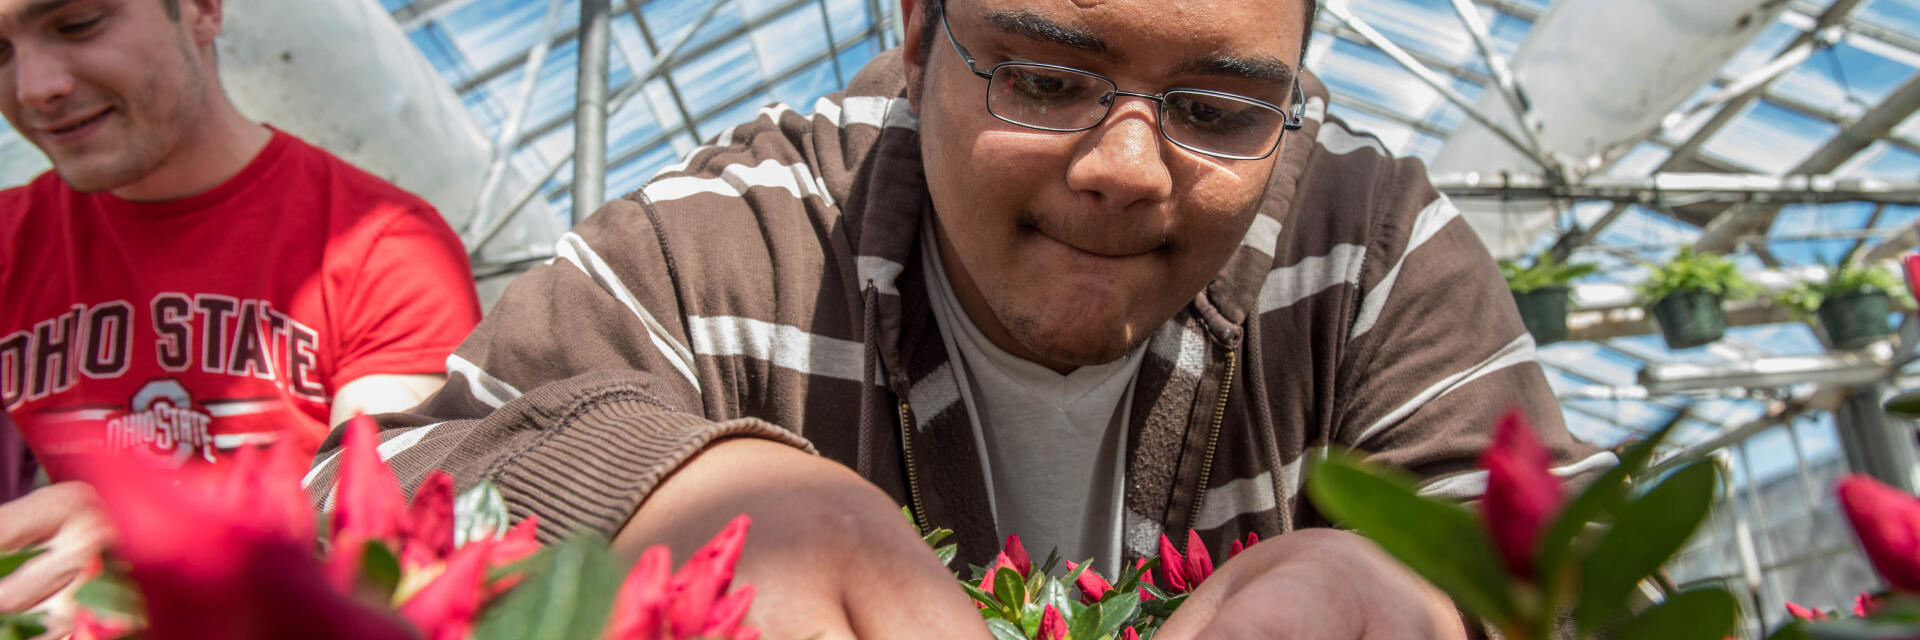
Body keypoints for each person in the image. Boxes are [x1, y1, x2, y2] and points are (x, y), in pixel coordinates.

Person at [308, 0, 1611, 636]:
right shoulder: (726, 238)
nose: (1127, 166)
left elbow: (1612, 575)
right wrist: (695, 491)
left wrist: (1419, 592)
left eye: (1220, 109)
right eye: (1046, 79)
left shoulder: (1363, 239)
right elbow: (359, 498)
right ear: (918, 31)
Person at [0, 0, 480, 630]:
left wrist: (151, 544)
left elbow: (377, 530)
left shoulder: (383, 249)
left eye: (79, 23)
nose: (36, 89)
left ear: (200, 10)